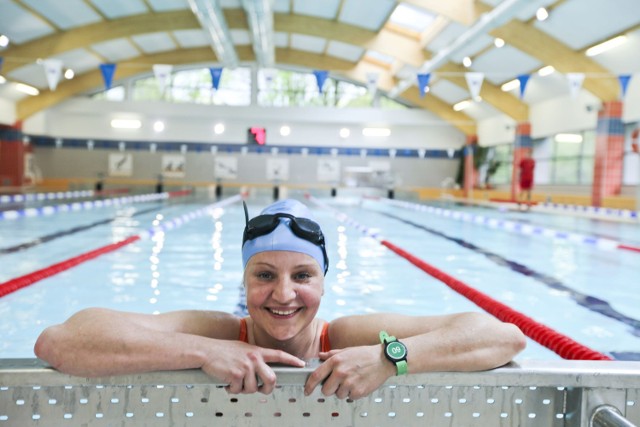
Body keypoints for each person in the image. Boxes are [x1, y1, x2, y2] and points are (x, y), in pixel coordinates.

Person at [35, 199, 526, 399]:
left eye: (303, 275)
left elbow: (503, 337)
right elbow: (61, 342)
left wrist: (389, 358)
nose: (284, 294)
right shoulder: (220, 332)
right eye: (264, 274)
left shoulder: (350, 335)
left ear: (325, 282)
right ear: (244, 281)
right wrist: (203, 350)